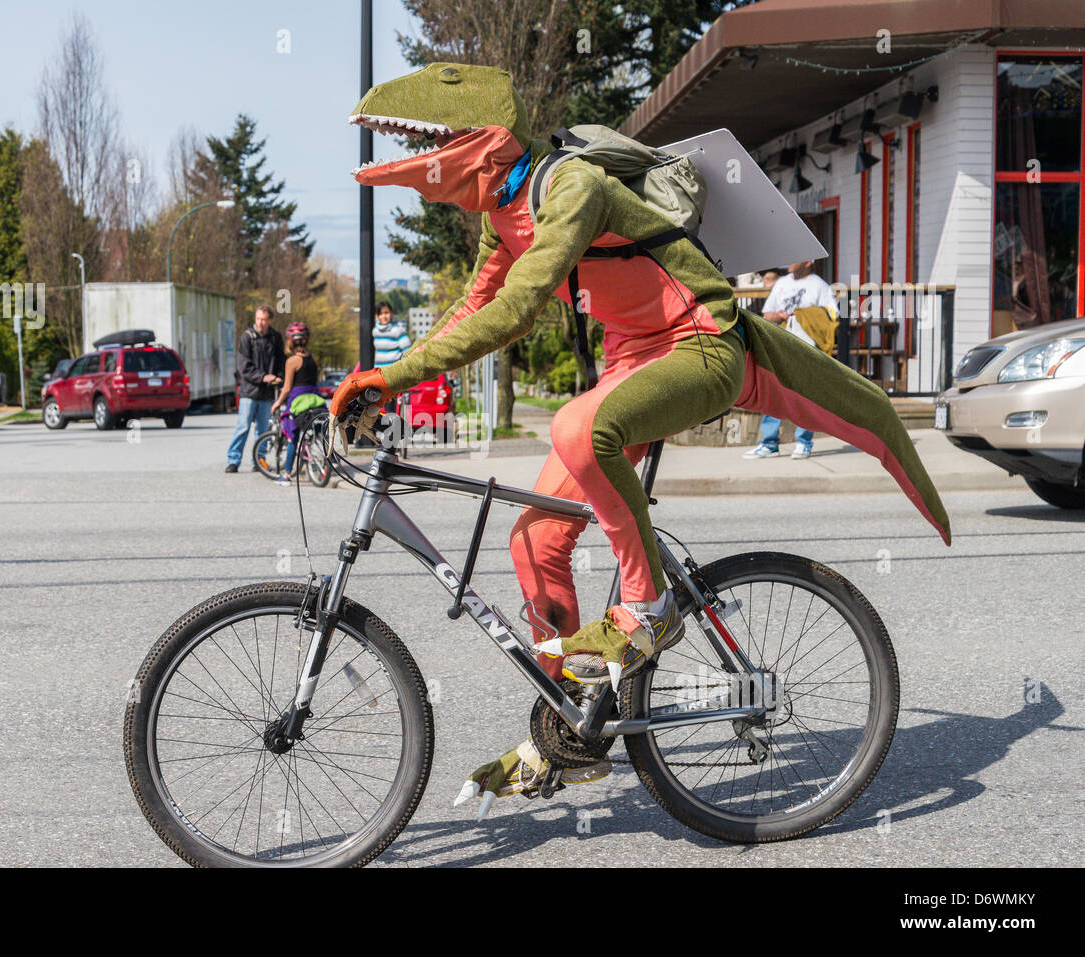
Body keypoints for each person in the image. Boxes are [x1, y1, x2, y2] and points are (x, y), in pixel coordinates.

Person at [330, 63, 950, 816]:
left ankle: (649, 603)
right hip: (634, 357)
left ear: (488, 143)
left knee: (576, 426)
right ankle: (571, 729)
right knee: (533, 541)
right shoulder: (505, 215)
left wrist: (394, 380)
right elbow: (473, 308)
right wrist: (385, 374)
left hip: (702, 343)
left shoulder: (571, 189)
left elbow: (520, 308)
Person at [743, 260, 838, 460]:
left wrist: (805, 314)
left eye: (796, 257)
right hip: (781, 345)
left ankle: (803, 442)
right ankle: (769, 444)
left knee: (804, 395)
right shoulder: (782, 283)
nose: (789, 262)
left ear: (808, 261)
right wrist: (778, 315)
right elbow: (766, 314)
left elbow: (832, 315)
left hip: (806, 349)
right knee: (774, 393)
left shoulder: (818, 285)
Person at [225, 306, 284, 473]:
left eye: (264, 319)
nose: (261, 322)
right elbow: (244, 366)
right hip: (249, 392)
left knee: (263, 430)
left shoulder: (275, 338)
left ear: (270, 320)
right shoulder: (247, 337)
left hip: (266, 394)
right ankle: (233, 460)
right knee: (243, 427)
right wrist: (264, 377)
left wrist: (279, 377)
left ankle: (259, 462)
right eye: (258, 318)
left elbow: (281, 361)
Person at [270, 321, 321, 485]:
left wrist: (277, 403)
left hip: (298, 402)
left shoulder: (292, 361)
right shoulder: (313, 358)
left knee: (292, 436)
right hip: (315, 399)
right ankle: (329, 460)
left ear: (290, 341)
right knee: (317, 431)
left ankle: (287, 475)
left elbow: (286, 388)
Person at [372, 301, 412, 367]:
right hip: (379, 372)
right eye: (380, 314)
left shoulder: (398, 330)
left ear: (391, 313)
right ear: (377, 316)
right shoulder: (375, 331)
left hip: (393, 372)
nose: (384, 316)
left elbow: (408, 352)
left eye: (386, 313)